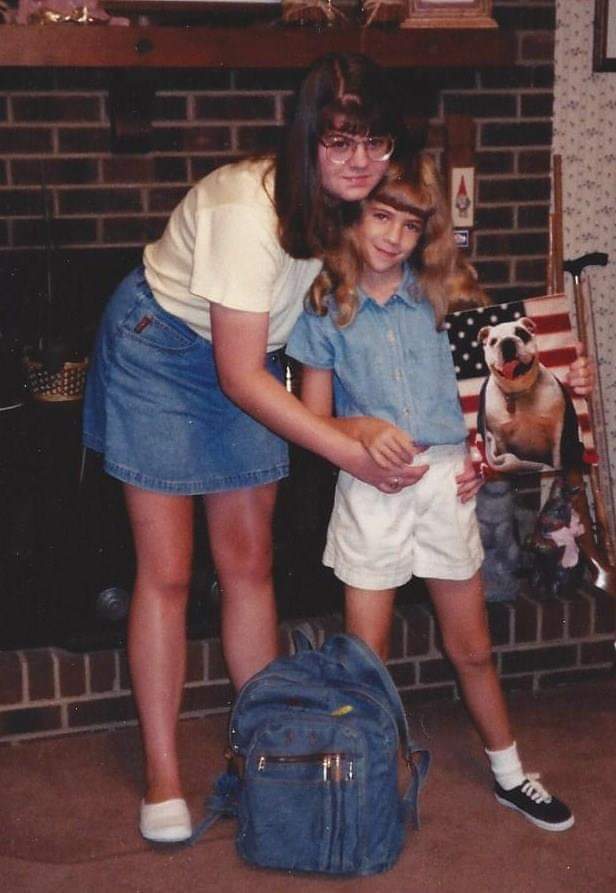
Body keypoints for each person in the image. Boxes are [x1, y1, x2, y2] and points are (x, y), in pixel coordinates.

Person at [82, 53, 431, 844]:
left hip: (250, 358)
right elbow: (240, 378)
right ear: (307, 138)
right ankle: (163, 775)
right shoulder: (249, 208)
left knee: (248, 564)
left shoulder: (360, 206)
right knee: (168, 571)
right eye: (341, 141)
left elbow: (317, 338)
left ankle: (262, 747)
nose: (360, 160)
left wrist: (380, 432)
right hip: (162, 352)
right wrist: (343, 449)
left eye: (375, 142)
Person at [286, 153, 593, 832]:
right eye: (380, 215)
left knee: (473, 647)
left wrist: (490, 455)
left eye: (410, 222)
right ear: (353, 214)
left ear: (428, 231)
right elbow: (311, 419)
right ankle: (367, 782)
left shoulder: (451, 301)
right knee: (367, 655)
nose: (393, 234)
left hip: (447, 484)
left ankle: (511, 772)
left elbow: (495, 403)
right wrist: (362, 427)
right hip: (369, 487)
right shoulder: (325, 305)